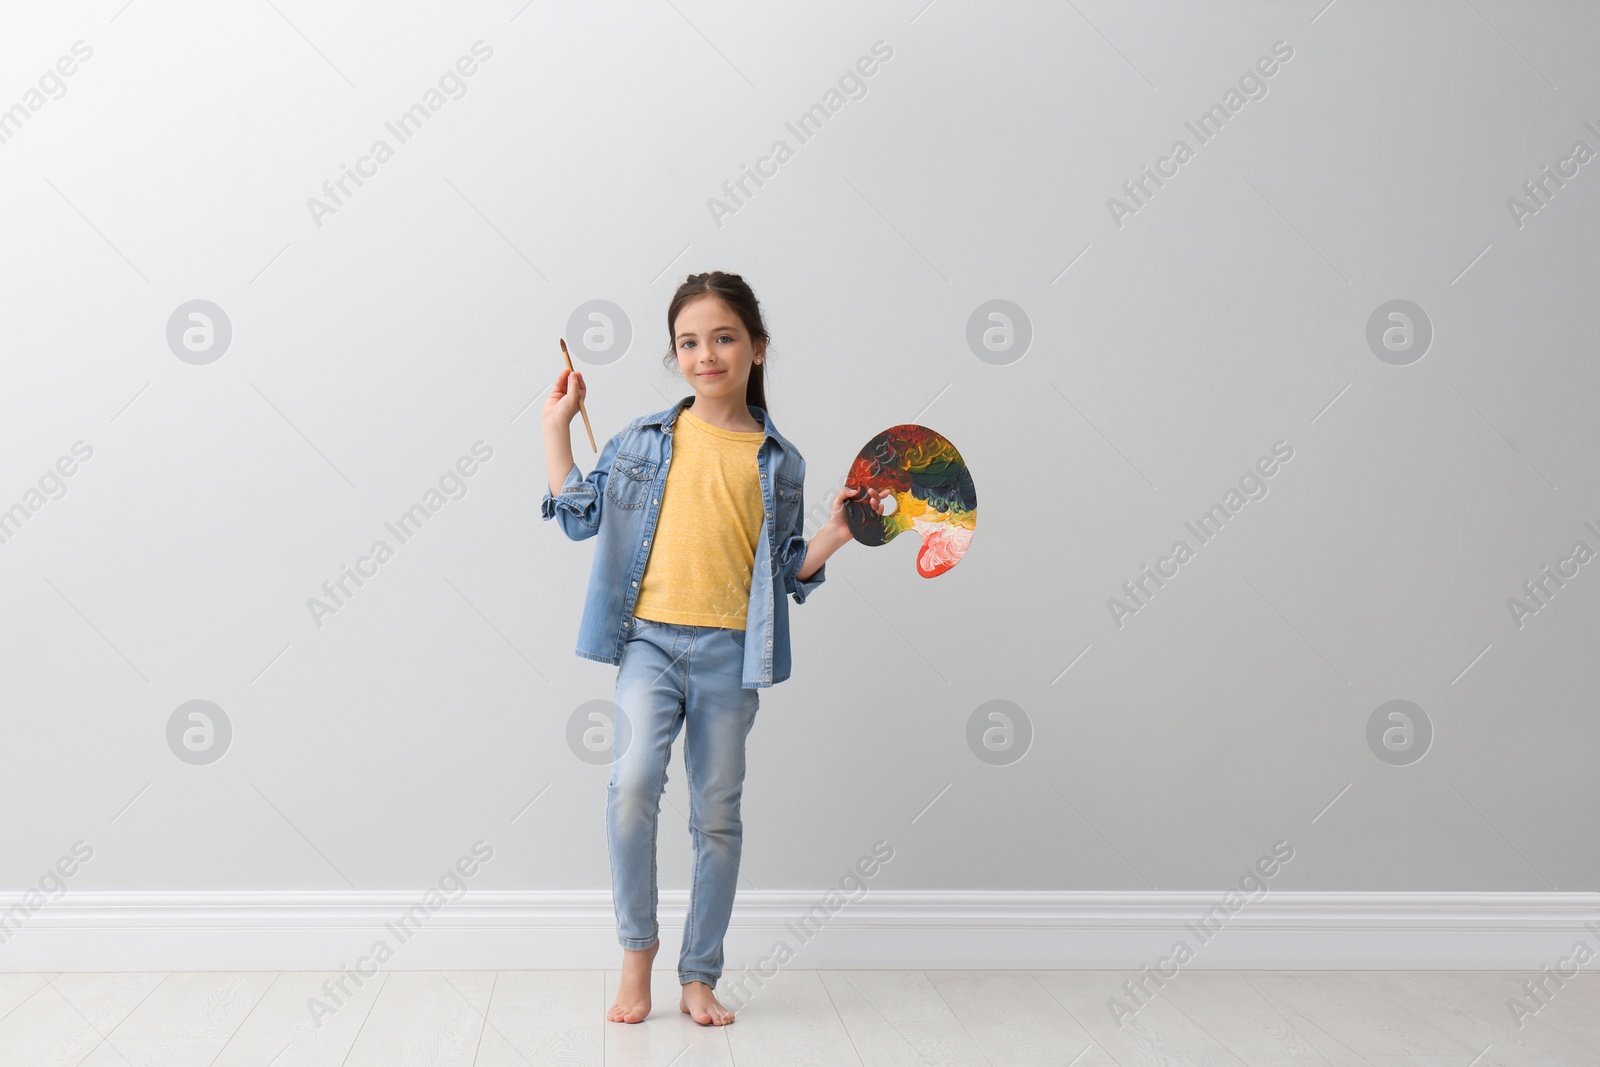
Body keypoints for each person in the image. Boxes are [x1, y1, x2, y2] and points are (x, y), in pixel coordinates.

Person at [540, 271, 887, 1026]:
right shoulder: (639, 440)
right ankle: (638, 961)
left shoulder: (778, 461)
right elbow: (576, 517)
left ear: (757, 348)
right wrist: (556, 427)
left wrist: (834, 532)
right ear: (676, 354)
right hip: (649, 647)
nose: (707, 354)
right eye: (689, 342)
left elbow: (785, 569)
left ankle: (700, 975)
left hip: (732, 654)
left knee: (717, 814)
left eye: (724, 337)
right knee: (632, 786)